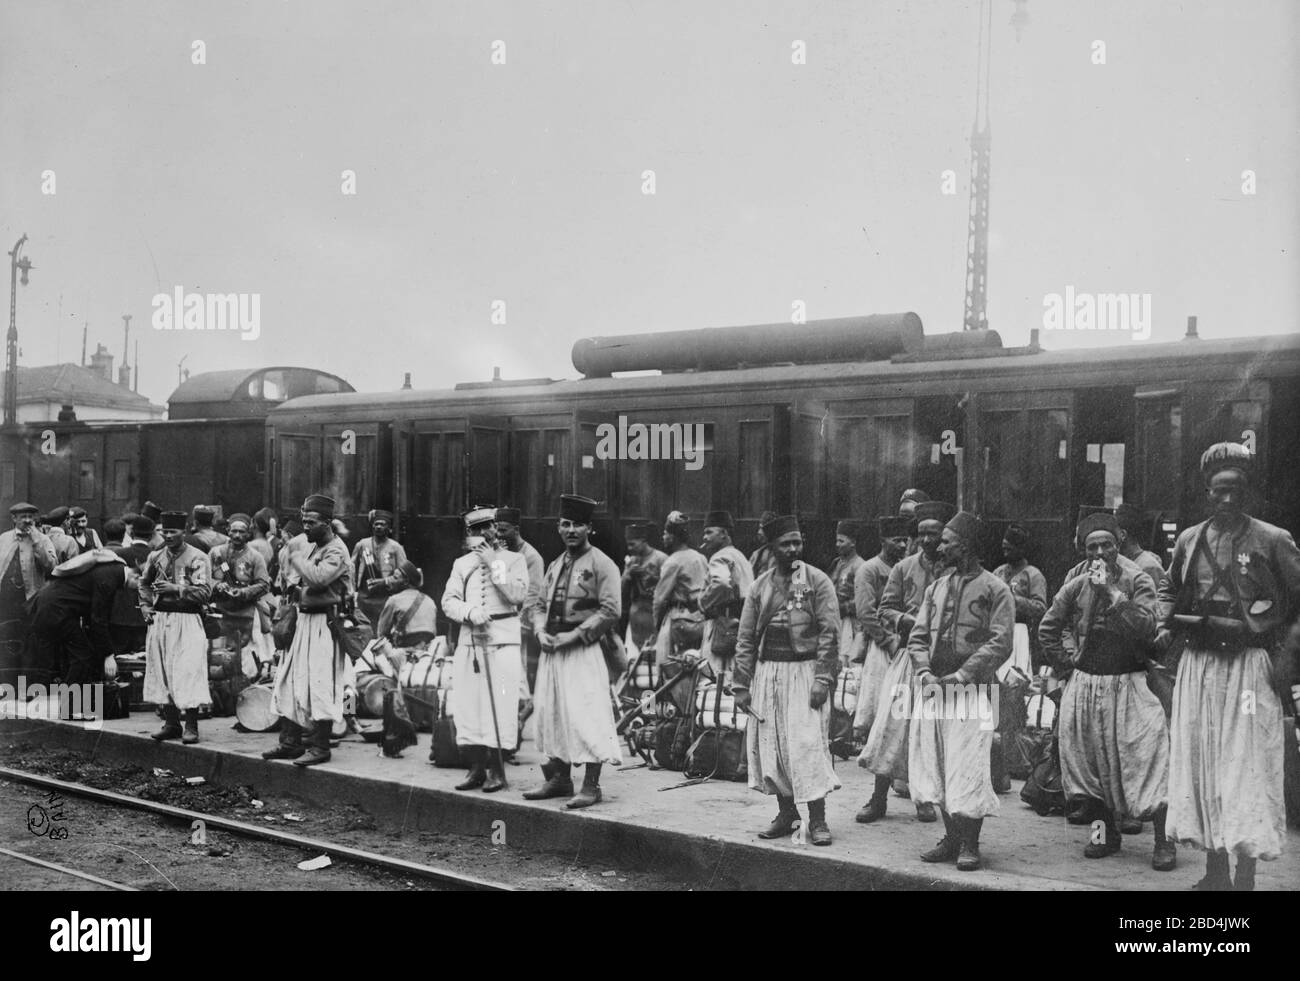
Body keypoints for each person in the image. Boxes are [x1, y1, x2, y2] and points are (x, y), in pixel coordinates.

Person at [1156, 443, 1299, 891]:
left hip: (1248, 668)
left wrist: (1286, 656)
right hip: (1199, 666)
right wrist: (1164, 624)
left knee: (1246, 768)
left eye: (1235, 491)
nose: (1227, 500)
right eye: (1218, 492)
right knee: (1203, 764)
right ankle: (1214, 872)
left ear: (1247, 491)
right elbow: (1169, 585)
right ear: (1207, 493)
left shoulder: (1273, 539)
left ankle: (1246, 878)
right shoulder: (1189, 538)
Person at [1039, 511, 1174, 871]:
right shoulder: (1075, 581)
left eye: (1106, 546)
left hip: (1131, 681)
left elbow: (1149, 629)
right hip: (1086, 683)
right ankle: (1104, 836)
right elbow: (1050, 626)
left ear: (1118, 545)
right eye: (1092, 547)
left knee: (1147, 758)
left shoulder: (1138, 579)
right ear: (1084, 550)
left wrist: (1113, 594)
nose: (1099, 554)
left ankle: (1164, 842)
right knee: (1090, 765)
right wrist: (1068, 665)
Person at [907, 510, 1014, 871]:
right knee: (937, 763)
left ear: (966, 546)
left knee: (967, 767)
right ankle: (951, 837)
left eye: (948, 541)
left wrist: (965, 674)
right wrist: (922, 669)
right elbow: (918, 636)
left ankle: (970, 843)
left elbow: (1001, 642)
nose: (940, 546)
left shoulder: (996, 589)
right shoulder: (937, 587)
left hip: (973, 690)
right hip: (935, 688)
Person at [732, 514, 841, 845]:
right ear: (771, 547)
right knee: (774, 746)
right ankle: (786, 812)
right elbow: (746, 638)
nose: (793, 549)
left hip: (804, 673)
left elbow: (830, 632)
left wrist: (823, 678)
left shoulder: (817, 581)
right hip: (769, 674)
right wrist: (741, 684)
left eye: (798, 542)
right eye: (786, 544)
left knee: (806, 745)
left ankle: (818, 819)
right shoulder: (760, 586)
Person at [856, 501, 956, 824]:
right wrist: (908, 621)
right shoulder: (903, 568)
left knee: (929, 731)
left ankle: (923, 798)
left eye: (935, 533)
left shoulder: (954, 570)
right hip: (907, 660)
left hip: (940, 664)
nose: (928, 540)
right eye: (923, 533)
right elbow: (885, 608)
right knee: (892, 725)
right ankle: (878, 798)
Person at [524, 494, 623, 809]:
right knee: (552, 712)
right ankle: (559, 778)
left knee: (586, 715)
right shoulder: (555, 565)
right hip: (552, 650)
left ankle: (591, 786)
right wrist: (540, 630)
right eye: (565, 524)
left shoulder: (602, 564)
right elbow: (538, 605)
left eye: (578, 525)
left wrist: (575, 636)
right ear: (558, 527)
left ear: (589, 528)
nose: (571, 530)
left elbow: (610, 610)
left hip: (583, 650)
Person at [442, 506, 529, 792]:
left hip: (502, 641)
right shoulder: (461, 564)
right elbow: (448, 601)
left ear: (496, 528)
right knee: (470, 706)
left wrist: (493, 562)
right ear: (469, 533)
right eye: (476, 530)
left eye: (488, 527)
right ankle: (476, 767)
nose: (482, 534)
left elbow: (516, 596)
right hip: (471, 642)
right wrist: (468, 611)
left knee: (501, 707)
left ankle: (497, 769)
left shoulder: (513, 560)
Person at [264, 494, 353, 766]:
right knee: (290, 680)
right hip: (304, 621)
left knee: (319, 683)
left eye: (311, 522)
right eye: (303, 521)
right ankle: (290, 743)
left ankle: (320, 746)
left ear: (327, 523)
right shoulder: (313, 546)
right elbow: (296, 584)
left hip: (325, 624)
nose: (305, 527)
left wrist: (294, 556)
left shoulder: (336, 549)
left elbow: (317, 579)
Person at [29, 546, 143, 720]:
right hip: (56, 611)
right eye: (140, 585)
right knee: (82, 656)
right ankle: (68, 708)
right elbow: (98, 619)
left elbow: (94, 616)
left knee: (81, 655)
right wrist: (108, 655)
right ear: (136, 576)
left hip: (52, 607)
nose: (137, 590)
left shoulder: (112, 571)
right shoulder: (110, 578)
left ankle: (70, 706)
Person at [139, 511, 212, 744]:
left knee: (187, 670)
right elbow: (144, 583)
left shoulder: (198, 558)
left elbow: (204, 592)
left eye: (173, 531)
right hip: (160, 620)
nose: (168, 535)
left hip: (187, 620)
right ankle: (171, 724)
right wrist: (145, 606)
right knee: (162, 670)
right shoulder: (155, 556)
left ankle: (191, 725)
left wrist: (176, 588)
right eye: (165, 531)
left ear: (185, 531)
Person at [851, 515, 911, 745]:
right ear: (883, 541)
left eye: (905, 540)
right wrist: (888, 641)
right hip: (881, 644)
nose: (903, 545)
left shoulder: (905, 568)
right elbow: (866, 613)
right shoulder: (869, 569)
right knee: (878, 701)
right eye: (897, 540)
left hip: (905, 642)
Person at [1, 503, 58, 690]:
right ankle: (6, 686)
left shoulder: (43, 539)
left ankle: (28, 687)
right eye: (23, 516)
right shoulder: (3, 539)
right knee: (6, 642)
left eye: (30, 517)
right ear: (14, 519)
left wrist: (36, 542)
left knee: (30, 644)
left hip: (32, 600)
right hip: (6, 600)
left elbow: (51, 566)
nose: (27, 520)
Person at [496, 506, 546, 706]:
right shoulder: (498, 552)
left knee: (517, 669)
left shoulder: (531, 557)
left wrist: (522, 626)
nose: (500, 534)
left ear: (516, 530)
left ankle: (521, 711)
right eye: (497, 529)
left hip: (517, 623)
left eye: (504, 530)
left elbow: (533, 596)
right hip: (497, 621)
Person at [698, 510, 754, 682]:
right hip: (740, 625)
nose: (704, 537)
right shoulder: (739, 556)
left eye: (709, 532)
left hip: (721, 627)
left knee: (712, 678)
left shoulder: (719, 557)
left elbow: (721, 582)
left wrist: (704, 602)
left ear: (724, 533)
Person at [208, 514, 271, 652]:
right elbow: (203, 579)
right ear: (228, 531)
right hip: (220, 612)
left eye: (241, 532)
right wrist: (217, 585)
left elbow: (264, 585)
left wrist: (244, 592)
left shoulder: (255, 557)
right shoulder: (216, 553)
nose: (237, 535)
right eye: (234, 531)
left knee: (242, 656)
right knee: (218, 656)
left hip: (245, 614)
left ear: (248, 533)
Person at [652, 511, 708, 662]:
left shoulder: (672, 562)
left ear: (672, 537)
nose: (663, 537)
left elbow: (659, 599)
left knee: (671, 664)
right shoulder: (700, 557)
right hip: (701, 619)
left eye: (665, 534)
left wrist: (657, 625)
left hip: (680, 620)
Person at [352, 509, 408, 628]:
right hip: (364, 598)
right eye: (376, 524)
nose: (378, 527)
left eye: (382, 524)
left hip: (385, 599)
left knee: (382, 631)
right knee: (363, 631)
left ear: (389, 528)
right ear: (372, 526)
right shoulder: (362, 545)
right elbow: (351, 569)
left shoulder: (396, 548)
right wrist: (352, 592)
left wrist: (384, 582)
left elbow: (403, 576)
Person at [619, 522, 665, 654]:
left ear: (643, 541)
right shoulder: (632, 561)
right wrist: (628, 575)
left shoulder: (661, 559)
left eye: (632, 544)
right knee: (633, 659)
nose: (629, 548)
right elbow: (621, 592)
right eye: (628, 544)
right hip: (636, 618)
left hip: (654, 616)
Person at [828, 519, 868, 667]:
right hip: (834, 619)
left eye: (841, 541)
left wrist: (843, 608)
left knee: (846, 663)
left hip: (850, 623)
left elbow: (862, 599)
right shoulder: (836, 563)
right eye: (836, 541)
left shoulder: (860, 566)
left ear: (853, 542)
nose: (837, 544)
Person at [376, 560, 438, 649]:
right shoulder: (430, 601)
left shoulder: (394, 600)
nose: (391, 581)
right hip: (427, 652)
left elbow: (381, 634)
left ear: (405, 582)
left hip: (402, 653)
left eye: (395, 578)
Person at [748, 510, 779, 578]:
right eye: (759, 528)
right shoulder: (756, 554)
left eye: (763, 529)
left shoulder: (780, 554)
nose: (759, 532)